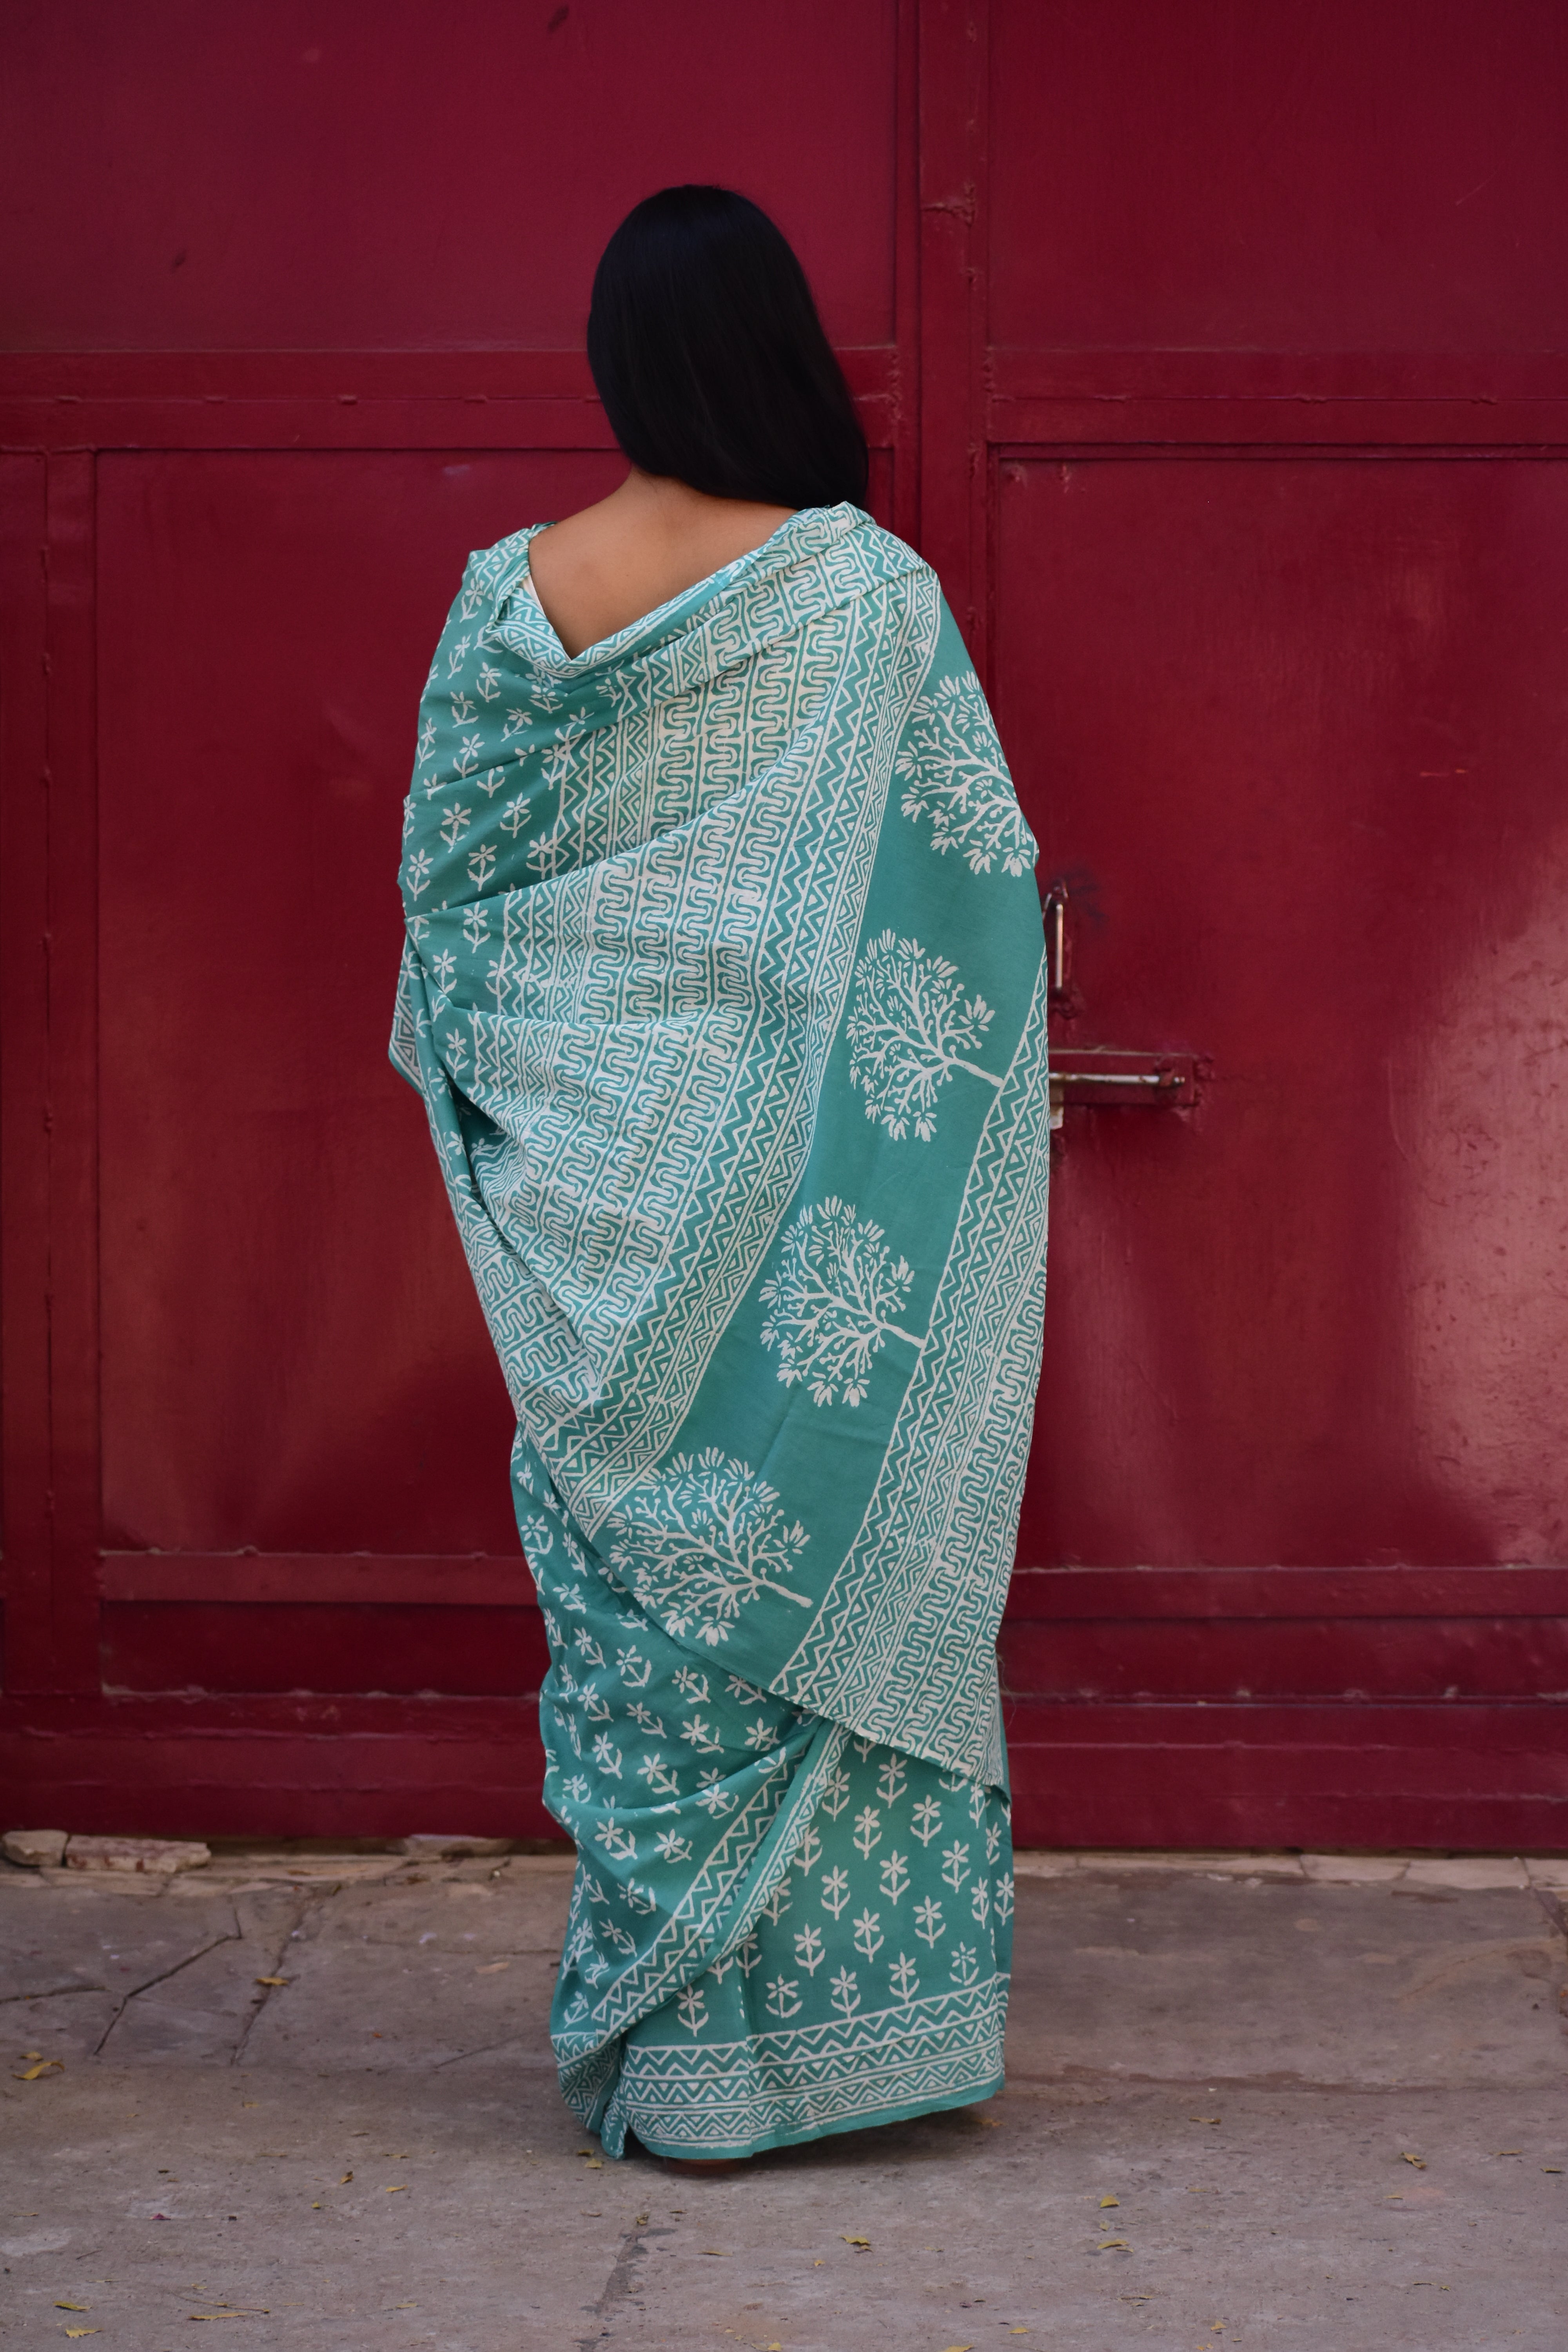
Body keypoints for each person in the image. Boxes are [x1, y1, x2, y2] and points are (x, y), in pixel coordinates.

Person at [392, 185, 1050, 2170]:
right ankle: (826, 2059)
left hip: (593, 1223)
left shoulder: (515, 599)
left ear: (619, 363)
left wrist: (580, 1103)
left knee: (637, 1625)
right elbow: (974, 905)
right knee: (814, 1566)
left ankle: (672, 2071)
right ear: (776, 353)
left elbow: (451, 922)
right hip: (805, 1238)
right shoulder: (865, 597)